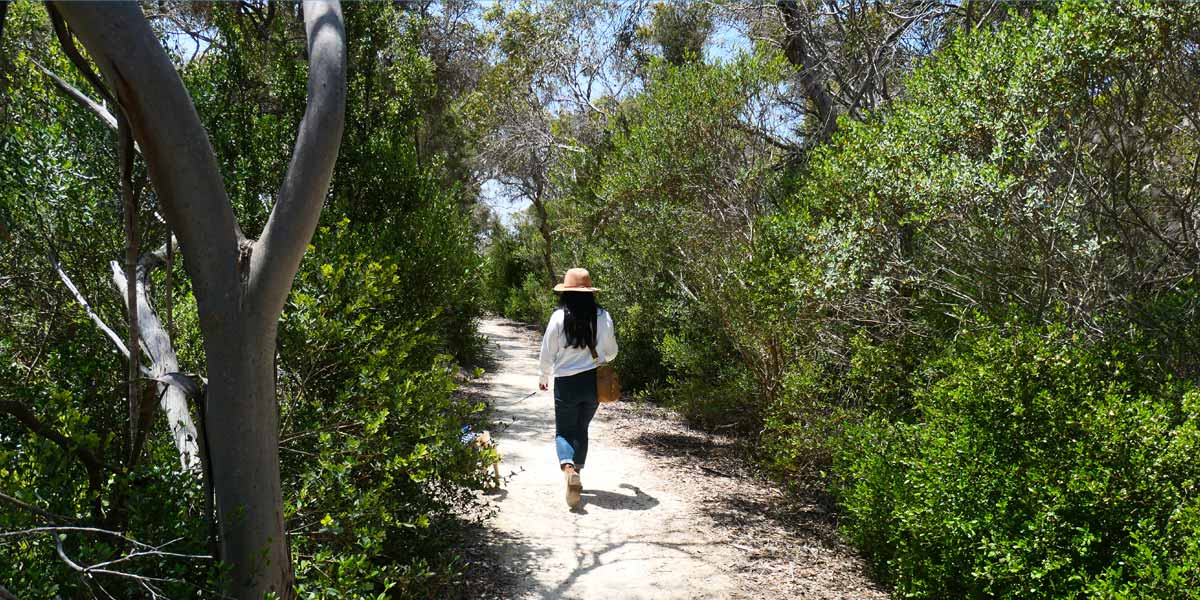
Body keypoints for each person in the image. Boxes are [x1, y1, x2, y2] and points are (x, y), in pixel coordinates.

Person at [538, 268, 618, 508]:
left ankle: (569, 468)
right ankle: (578, 474)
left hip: (566, 382)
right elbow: (612, 353)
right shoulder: (603, 317)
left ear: (566, 293)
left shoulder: (558, 318)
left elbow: (547, 350)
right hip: (594, 382)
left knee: (564, 431)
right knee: (581, 428)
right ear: (590, 292)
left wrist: (543, 375)